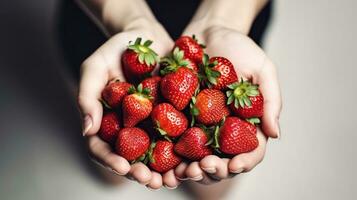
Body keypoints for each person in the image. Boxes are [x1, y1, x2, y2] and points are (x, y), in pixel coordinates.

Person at [75, 0, 282, 197]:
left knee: (211, 189)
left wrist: (223, 21)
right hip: (104, 22)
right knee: (112, 168)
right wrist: (129, 19)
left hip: (232, 11)